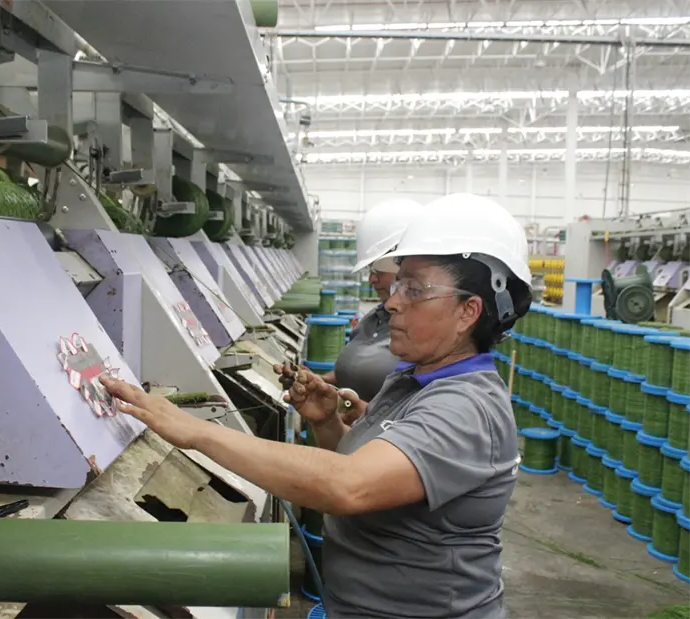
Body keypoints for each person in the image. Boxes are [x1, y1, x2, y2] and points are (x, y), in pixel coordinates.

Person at [100, 193, 532, 619]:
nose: (392, 300)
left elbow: (349, 486)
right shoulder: (411, 380)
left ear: (468, 311)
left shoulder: (466, 407)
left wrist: (196, 431)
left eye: (415, 289)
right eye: (398, 283)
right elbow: (363, 468)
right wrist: (327, 423)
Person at [319, 198, 424, 405]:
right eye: (370, 271)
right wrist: (318, 382)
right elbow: (352, 373)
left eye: (377, 271)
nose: (371, 279)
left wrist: (368, 416)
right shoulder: (373, 318)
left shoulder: (425, 332)